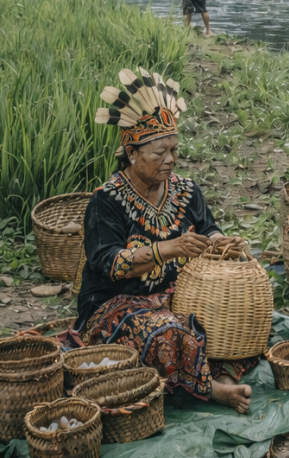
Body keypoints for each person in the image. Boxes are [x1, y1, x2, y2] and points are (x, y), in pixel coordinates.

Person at [71, 69, 253, 413]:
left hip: (177, 295)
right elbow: (107, 263)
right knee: (165, 332)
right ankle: (213, 387)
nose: (170, 159)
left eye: (174, 150)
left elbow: (208, 228)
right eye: (159, 153)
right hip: (115, 305)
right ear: (132, 153)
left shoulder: (186, 190)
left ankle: (210, 377)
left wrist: (221, 242)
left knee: (235, 314)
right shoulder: (105, 201)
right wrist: (167, 249)